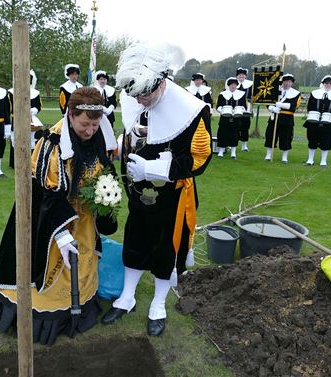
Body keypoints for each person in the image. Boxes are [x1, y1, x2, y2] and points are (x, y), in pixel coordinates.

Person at [0, 87, 118, 346]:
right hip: (50, 220)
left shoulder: (98, 137)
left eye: (95, 124)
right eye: (84, 124)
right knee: (53, 267)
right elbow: (44, 195)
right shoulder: (51, 144)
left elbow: (105, 170)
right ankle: (47, 314)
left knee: (83, 263)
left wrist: (106, 197)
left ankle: (82, 304)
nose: (90, 131)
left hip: (84, 221)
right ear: (71, 115)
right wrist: (59, 235)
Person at [100, 44, 212, 337]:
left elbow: (199, 159)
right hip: (139, 197)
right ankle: (127, 296)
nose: (139, 100)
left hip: (172, 198)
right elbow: (135, 132)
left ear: (161, 82)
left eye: (144, 94)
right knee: (135, 243)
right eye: (134, 95)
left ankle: (158, 303)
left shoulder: (191, 110)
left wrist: (153, 170)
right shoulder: (139, 100)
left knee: (165, 250)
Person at [303, 75, 331, 167]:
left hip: (330, 121)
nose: (328, 85)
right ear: (323, 83)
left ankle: (323, 161)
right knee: (312, 139)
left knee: (326, 140)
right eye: (326, 83)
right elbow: (309, 106)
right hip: (314, 120)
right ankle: (310, 160)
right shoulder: (314, 93)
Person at [8, 69, 43, 168]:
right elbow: (9, 108)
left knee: (31, 140)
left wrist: (34, 110)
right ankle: (16, 163)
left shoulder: (35, 93)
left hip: (31, 120)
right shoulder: (11, 92)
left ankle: (30, 161)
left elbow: (39, 105)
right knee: (17, 140)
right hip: (17, 120)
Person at [264, 73, 302, 163]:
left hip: (287, 118)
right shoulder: (275, 90)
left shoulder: (296, 93)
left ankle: (284, 157)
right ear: (282, 81)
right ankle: (268, 155)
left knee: (286, 138)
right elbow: (268, 102)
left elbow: (294, 106)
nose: (287, 83)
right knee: (270, 136)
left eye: (289, 82)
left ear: (292, 83)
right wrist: (272, 108)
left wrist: (281, 105)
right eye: (285, 81)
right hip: (274, 116)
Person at [216, 77, 246, 159]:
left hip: (236, 118)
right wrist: (221, 111)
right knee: (222, 134)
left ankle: (233, 153)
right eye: (231, 85)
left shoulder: (241, 94)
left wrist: (241, 110)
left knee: (235, 135)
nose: (233, 86)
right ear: (228, 86)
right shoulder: (222, 94)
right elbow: (218, 106)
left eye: (235, 85)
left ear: (237, 86)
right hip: (224, 119)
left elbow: (244, 106)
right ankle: (221, 152)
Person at [236, 67, 253, 151]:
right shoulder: (233, 84)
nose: (241, 76)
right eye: (240, 75)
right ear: (237, 76)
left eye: (243, 75)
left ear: (245, 76)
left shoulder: (250, 84)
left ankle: (244, 145)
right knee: (234, 127)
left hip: (247, 108)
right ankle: (232, 144)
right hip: (236, 108)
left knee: (245, 127)